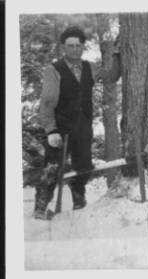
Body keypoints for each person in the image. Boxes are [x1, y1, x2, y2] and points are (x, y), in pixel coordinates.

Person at [34, 26, 102, 219]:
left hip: (83, 126)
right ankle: (40, 208)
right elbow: (47, 101)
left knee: (84, 166)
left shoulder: (90, 67)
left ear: (83, 47)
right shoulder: (54, 69)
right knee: (52, 168)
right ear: (63, 46)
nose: (74, 49)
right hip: (60, 127)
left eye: (78, 46)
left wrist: (117, 53)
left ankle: (79, 202)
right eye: (70, 45)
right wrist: (51, 130)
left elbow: (110, 76)